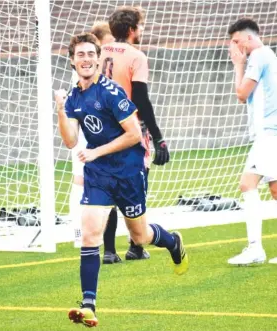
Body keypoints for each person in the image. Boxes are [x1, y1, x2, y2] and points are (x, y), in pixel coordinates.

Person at [55, 32, 188, 327]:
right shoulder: (74, 97)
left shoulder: (111, 92)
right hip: (99, 175)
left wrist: (96, 150)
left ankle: (172, 241)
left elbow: (134, 135)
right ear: (72, 61)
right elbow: (69, 140)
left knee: (140, 237)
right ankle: (88, 304)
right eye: (81, 55)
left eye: (91, 54)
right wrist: (60, 112)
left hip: (128, 172)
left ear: (99, 59)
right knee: (89, 234)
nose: (86, 59)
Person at [227, 18, 277, 265]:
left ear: (249, 38)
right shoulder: (262, 57)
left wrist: (238, 64)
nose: (235, 46)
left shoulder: (260, 56)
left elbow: (241, 93)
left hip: (271, 133)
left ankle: (255, 249)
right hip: (276, 132)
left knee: (247, 184)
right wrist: (241, 63)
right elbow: (244, 97)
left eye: (237, 41)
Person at [100, 6, 170, 260]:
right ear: (131, 30)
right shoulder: (136, 56)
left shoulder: (102, 50)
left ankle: (108, 251)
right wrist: (159, 137)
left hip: (104, 127)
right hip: (130, 128)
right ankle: (136, 246)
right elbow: (141, 98)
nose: (142, 30)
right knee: (136, 184)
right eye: (140, 26)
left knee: (108, 185)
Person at [70, 22, 124, 265]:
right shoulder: (84, 73)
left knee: (93, 183)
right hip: (86, 133)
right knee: (83, 180)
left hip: (97, 133)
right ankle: (81, 234)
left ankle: (93, 239)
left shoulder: (100, 72)